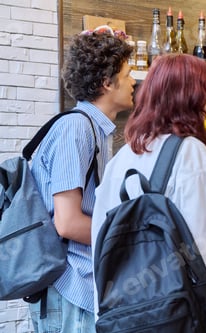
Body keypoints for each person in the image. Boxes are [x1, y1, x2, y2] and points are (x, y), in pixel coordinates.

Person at [91, 53, 206, 315]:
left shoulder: (125, 155)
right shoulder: (190, 151)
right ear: (190, 99)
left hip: (121, 313)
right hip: (173, 314)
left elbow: (100, 240)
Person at [28, 26, 135, 332]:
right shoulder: (76, 129)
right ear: (106, 83)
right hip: (69, 286)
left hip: (80, 284)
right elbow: (68, 222)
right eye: (127, 75)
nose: (133, 82)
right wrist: (127, 240)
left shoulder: (94, 130)